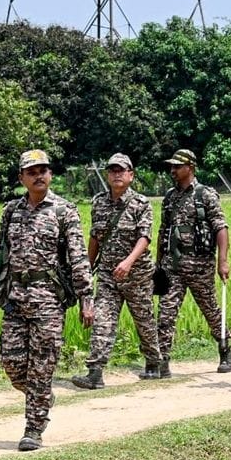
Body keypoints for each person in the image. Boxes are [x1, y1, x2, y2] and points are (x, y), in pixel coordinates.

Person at [0, 149, 93, 450]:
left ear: (50, 174)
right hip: (15, 298)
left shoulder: (64, 211)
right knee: (12, 364)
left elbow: (78, 257)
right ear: (22, 178)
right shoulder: (11, 211)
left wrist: (86, 297)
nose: (38, 176)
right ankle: (42, 396)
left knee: (41, 368)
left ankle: (33, 428)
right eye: (32, 172)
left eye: (43, 170)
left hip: (49, 301)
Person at [71, 153, 162, 388]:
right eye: (112, 170)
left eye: (121, 170)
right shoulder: (99, 202)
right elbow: (95, 237)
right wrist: (87, 267)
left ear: (131, 175)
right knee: (102, 321)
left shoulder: (141, 203)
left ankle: (153, 362)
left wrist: (128, 262)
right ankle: (95, 373)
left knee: (144, 321)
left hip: (137, 275)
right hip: (108, 276)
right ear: (107, 175)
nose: (116, 174)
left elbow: (145, 237)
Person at [153, 149, 231, 376]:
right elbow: (163, 230)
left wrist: (222, 261)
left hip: (200, 266)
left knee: (210, 310)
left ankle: (225, 349)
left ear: (190, 167)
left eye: (177, 167)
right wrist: (158, 263)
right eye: (172, 166)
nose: (173, 170)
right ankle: (162, 360)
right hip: (173, 266)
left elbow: (221, 228)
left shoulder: (205, 195)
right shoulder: (170, 197)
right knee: (166, 313)